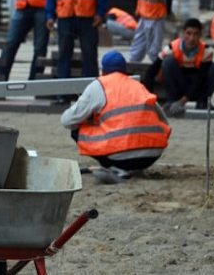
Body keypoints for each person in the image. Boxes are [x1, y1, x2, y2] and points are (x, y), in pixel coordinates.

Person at [61, 51, 171, 184]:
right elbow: (165, 123)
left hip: (119, 157)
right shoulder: (138, 86)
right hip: (152, 154)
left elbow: (67, 120)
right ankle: (135, 168)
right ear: (125, 70)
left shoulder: (99, 85)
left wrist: (90, 119)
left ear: (103, 71)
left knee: (77, 128)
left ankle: (117, 168)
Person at [158, 18, 214, 116]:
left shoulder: (207, 51)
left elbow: (200, 79)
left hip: (197, 87)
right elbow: (152, 70)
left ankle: (203, 102)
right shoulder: (172, 47)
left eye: (195, 34)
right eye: (188, 33)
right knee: (168, 62)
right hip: (180, 84)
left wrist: (183, 101)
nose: (192, 38)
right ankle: (172, 100)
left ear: (200, 35)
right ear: (183, 33)